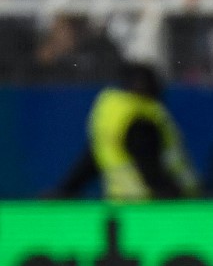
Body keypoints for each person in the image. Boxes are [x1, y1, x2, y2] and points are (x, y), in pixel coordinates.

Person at [50, 61, 200, 200]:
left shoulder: (112, 117)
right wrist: (178, 199)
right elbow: (152, 173)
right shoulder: (141, 121)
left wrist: (63, 192)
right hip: (154, 209)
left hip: (122, 208)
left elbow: (88, 164)